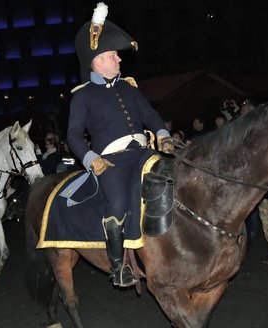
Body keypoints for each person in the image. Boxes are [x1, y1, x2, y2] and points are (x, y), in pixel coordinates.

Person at [68, 3, 170, 287]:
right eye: (113, 55)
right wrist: (91, 158)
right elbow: (73, 135)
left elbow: (149, 114)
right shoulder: (83, 96)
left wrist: (162, 133)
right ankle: (118, 267)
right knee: (118, 202)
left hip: (143, 152)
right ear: (97, 60)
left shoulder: (128, 87)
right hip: (111, 161)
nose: (119, 60)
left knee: (172, 177)